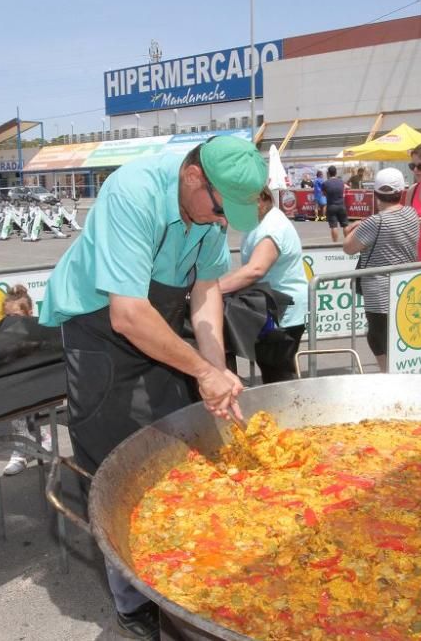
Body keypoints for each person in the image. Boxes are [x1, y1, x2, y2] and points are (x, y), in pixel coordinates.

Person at [40, 134, 266, 640]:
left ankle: (189, 573)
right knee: (114, 464)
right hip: (101, 327)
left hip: (156, 325)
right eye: (219, 207)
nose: (223, 220)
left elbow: (206, 291)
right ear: (193, 178)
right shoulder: (133, 192)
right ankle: (132, 602)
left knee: (178, 447)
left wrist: (215, 372)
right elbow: (127, 314)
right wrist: (203, 372)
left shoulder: (206, 211)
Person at [219, 187, 308, 383]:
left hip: (281, 311)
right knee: (276, 371)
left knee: (278, 374)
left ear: (261, 199)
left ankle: (286, 411)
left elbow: (255, 270)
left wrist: (212, 290)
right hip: (273, 306)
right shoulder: (262, 221)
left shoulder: (271, 228)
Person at [343, 168, 420, 372]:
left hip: (379, 289)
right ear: (401, 191)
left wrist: (355, 228)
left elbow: (349, 247)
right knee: (399, 335)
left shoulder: (375, 222)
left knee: (378, 337)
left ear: (375, 193)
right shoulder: (411, 214)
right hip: (405, 286)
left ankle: (389, 376)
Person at [0, 285, 53, 475]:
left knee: (27, 411)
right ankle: (25, 446)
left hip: (34, 382)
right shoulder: (3, 335)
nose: (10, 322)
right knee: (17, 412)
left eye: (15, 317)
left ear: (29, 313)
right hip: (15, 384)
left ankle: (32, 443)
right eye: (7, 317)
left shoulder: (37, 332)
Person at [322, 165, 349, 242]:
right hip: (341, 205)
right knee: (345, 224)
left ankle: (335, 243)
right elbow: (347, 187)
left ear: (328, 173)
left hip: (331, 205)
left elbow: (323, 194)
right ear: (336, 173)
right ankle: (347, 240)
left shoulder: (325, 183)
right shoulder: (341, 182)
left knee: (334, 226)